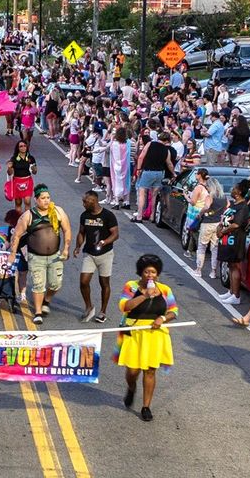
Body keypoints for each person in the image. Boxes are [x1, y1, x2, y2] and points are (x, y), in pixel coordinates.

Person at [116, 254, 179, 422]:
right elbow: (124, 306)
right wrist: (145, 295)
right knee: (132, 371)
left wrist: (163, 318)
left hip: (155, 334)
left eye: (153, 272)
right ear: (140, 273)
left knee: (150, 370)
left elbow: (174, 310)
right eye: (146, 272)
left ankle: (146, 406)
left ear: (157, 274)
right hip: (134, 333)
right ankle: (131, 387)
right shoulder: (131, 286)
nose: (150, 275)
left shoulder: (165, 289)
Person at [7, 184, 72, 325]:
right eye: (43, 198)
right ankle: (37, 312)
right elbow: (16, 236)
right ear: (36, 199)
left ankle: (46, 300)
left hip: (55, 256)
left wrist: (66, 248)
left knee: (55, 284)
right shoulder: (28, 216)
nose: (46, 200)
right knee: (38, 285)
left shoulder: (58, 211)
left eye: (48, 197)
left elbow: (67, 230)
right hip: (36, 257)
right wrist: (12, 254)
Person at [74, 190, 119, 324]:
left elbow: (115, 234)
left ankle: (103, 311)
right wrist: (78, 246)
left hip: (105, 254)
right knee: (83, 281)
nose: (83, 204)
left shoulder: (108, 215)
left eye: (85, 201)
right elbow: (81, 232)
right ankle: (89, 306)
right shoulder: (84, 216)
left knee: (104, 283)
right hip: (89, 254)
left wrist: (105, 242)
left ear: (93, 201)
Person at [216, 181, 250, 306]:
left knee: (235, 266)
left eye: (234, 188)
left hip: (235, 240)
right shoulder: (233, 204)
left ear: (239, 192)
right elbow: (224, 219)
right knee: (230, 266)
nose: (232, 189)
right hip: (226, 239)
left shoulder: (243, 207)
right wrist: (219, 229)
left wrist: (223, 231)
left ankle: (236, 295)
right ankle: (231, 291)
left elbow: (236, 224)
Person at [134, 131, 175, 223]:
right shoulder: (166, 150)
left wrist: (139, 169)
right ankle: (152, 216)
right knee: (154, 195)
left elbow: (141, 157)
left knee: (142, 193)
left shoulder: (150, 144)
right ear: (167, 140)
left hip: (148, 171)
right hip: (160, 173)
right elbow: (169, 163)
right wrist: (173, 173)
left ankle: (139, 216)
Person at [7, 140, 38, 213]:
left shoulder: (31, 158)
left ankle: (27, 220)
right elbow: (9, 173)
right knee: (18, 202)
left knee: (27, 201)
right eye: (21, 146)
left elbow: (35, 172)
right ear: (18, 148)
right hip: (17, 181)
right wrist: (9, 167)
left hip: (27, 181)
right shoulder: (14, 158)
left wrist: (34, 168)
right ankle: (19, 219)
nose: (23, 148)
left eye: (24, 146)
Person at [108, 127, 132, 210]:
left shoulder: (114, 144)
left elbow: (109, 147)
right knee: (126, 182)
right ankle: (126, 202)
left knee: (116, 182)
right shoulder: (128, 143)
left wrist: (112, 137)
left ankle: (117, 202)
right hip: (126, 166)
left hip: (116, 165)